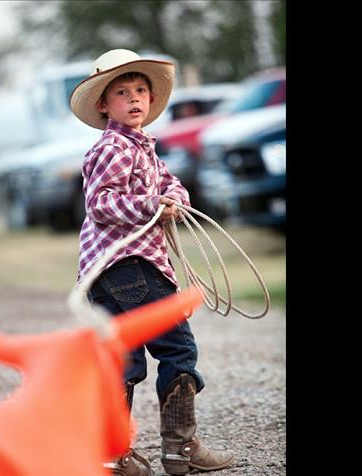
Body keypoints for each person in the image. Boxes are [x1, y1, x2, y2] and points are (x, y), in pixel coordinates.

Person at [69, 49, 233, 476]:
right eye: (122, 92)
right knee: (176, 347)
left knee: (122, 359)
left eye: (140, 90)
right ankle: (180, 447)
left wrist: (173, 199)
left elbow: (170, 183)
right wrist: (151, 205)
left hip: (105, 270)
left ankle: (113, 453)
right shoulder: (114, 148)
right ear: (104, 105)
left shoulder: (141, 148)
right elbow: (100, 202)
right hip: (131, 263)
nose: (135, 98)